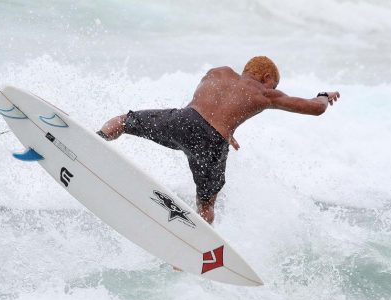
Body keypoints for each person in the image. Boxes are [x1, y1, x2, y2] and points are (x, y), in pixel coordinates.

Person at [97, 56, 340, 224]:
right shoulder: (264, 92)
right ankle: (194, 242)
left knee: (124, 121)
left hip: (184, 121)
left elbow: (210, 105)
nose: (273, 88)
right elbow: (314, 109)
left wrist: (221, 126)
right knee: (206, 204)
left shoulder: (218, 72)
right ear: (266, 77)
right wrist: (323, 96)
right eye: (273, 84)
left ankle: (97, 139)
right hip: (212, 143)